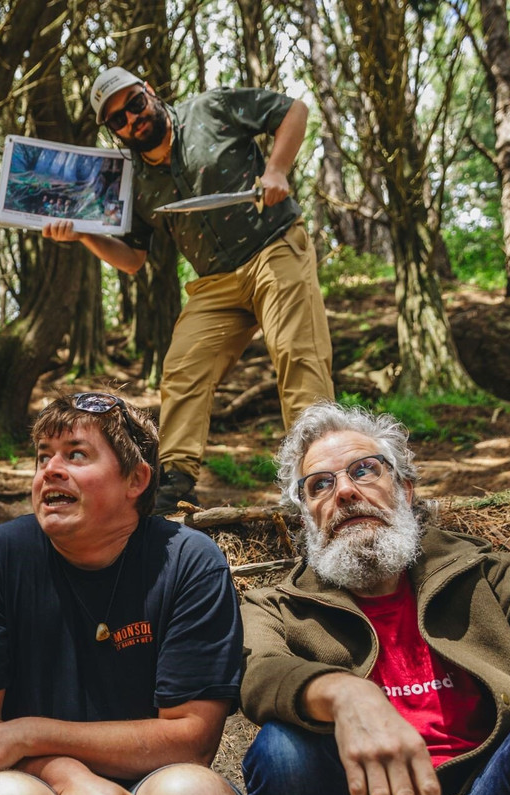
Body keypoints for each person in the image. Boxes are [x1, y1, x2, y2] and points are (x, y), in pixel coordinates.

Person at [43, 66, 334, 513]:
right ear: (114, 132)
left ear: (150, 91)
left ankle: (322, 470)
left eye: (134, 104)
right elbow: (132, 258)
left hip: (273, 247)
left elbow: (294, 109)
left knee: (298, 354)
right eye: (117, 120)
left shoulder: (209, 109)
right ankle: (175, 485)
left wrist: (276, 170)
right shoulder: (134, 180)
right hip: (215, 282)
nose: (132, 120)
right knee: (181, 367)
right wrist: (82, 235)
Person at [0, 391, 245, 795]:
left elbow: (191, 741)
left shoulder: (189, 563)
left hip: (152, 781)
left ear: (136, 480)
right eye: (43, 456)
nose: (50, 470)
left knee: (191, 792)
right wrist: (67, 776)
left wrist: (27, 732)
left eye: (76, 455)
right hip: (29, 778)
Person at [240, 401, 510, 795]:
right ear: (306, 518)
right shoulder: (275, 608)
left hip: (488, 788)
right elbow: (257, 671)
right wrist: (347, 695)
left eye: (364, 469)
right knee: (281, 751)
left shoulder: (486, 573)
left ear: (404, 489)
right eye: (320, 485)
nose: (345, 491)